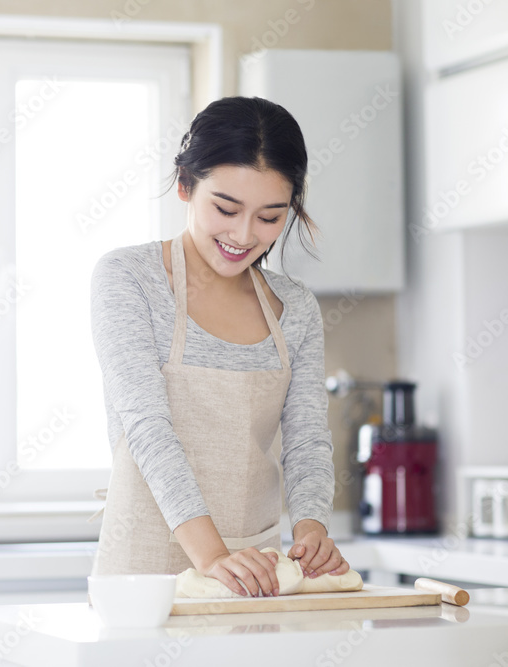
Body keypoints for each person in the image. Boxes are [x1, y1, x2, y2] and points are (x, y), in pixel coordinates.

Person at [90, 96, 348, 598]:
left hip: (256, 571)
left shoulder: (293, 307)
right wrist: (212, 558)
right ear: (185, 184)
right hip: (146, 568)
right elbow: (146, 427)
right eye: (225, 209)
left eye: (271, 217)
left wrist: (311, 530)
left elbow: (307, 438)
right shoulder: (128, 279)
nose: (243, 234)